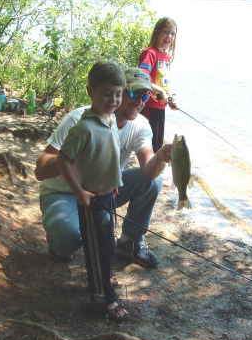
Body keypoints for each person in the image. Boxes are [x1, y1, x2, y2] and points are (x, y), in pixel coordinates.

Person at [35, 67, 171, 272]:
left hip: (102, 192)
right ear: (117, 91)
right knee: (67, 243)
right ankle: (68, 237)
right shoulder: (79, 119)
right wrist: (76, 154)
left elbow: (149, 171)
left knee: (154, 181)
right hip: (63, 192)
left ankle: (129, 242)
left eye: (145, 95)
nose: (139, 102)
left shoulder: (140, 126)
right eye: (133, 94)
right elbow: (40, 170)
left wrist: (162, 156)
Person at [56, 60, 127, 320]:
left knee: (107, 244)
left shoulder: (110, 120)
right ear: (91, 92)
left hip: (108, 195)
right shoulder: (84, 127)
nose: (113, 99)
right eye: (107, 93)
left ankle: (103, 280)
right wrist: (79, 192)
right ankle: (105, 300)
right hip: (91, 200)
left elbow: (109, 157)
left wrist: (116, 183)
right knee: (97, 249)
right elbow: (62, 159)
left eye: (118, 94)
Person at [139, 17, 177, 153]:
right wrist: (160, 91)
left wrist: (169, 97)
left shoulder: (165, 57)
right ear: (157, 33)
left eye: (173, 34)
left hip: (160, 107)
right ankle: (149, 172)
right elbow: (142, 78)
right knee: (150, 145)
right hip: (149, 105)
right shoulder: (150, 53)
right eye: (166, 32)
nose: (169, 37)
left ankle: (153, 171)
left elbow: (162, 82)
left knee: (158, 144)